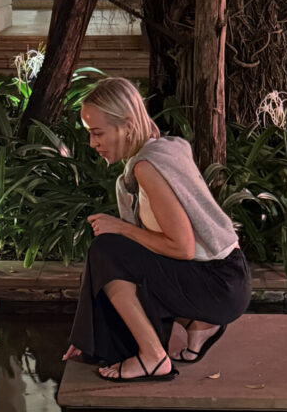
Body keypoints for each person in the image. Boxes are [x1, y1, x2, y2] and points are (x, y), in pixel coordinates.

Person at [63, 77, 251, 383]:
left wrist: (120, 228)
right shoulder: (160, 151)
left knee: (106, 249)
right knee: (116, 253)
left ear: (125, 125)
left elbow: (182, 247)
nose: (92, 143)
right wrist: (87, 333)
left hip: (219, 284)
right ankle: (197, 325)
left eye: (97, 133)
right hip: (227, 277)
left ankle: (153, 357)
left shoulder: (146, 167)